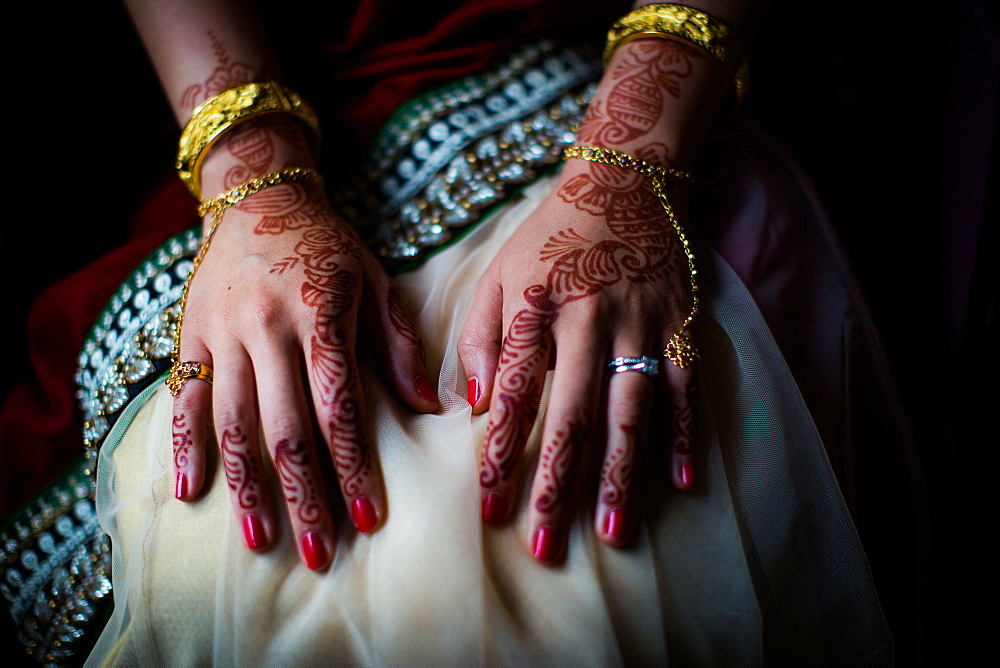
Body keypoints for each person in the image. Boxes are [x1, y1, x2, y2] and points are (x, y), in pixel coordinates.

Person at [5, 1, 897, 664]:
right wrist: (254, 181)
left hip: (619, 80)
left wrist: (628, 167)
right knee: (236, 541)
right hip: (262, 115)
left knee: (594, 537)